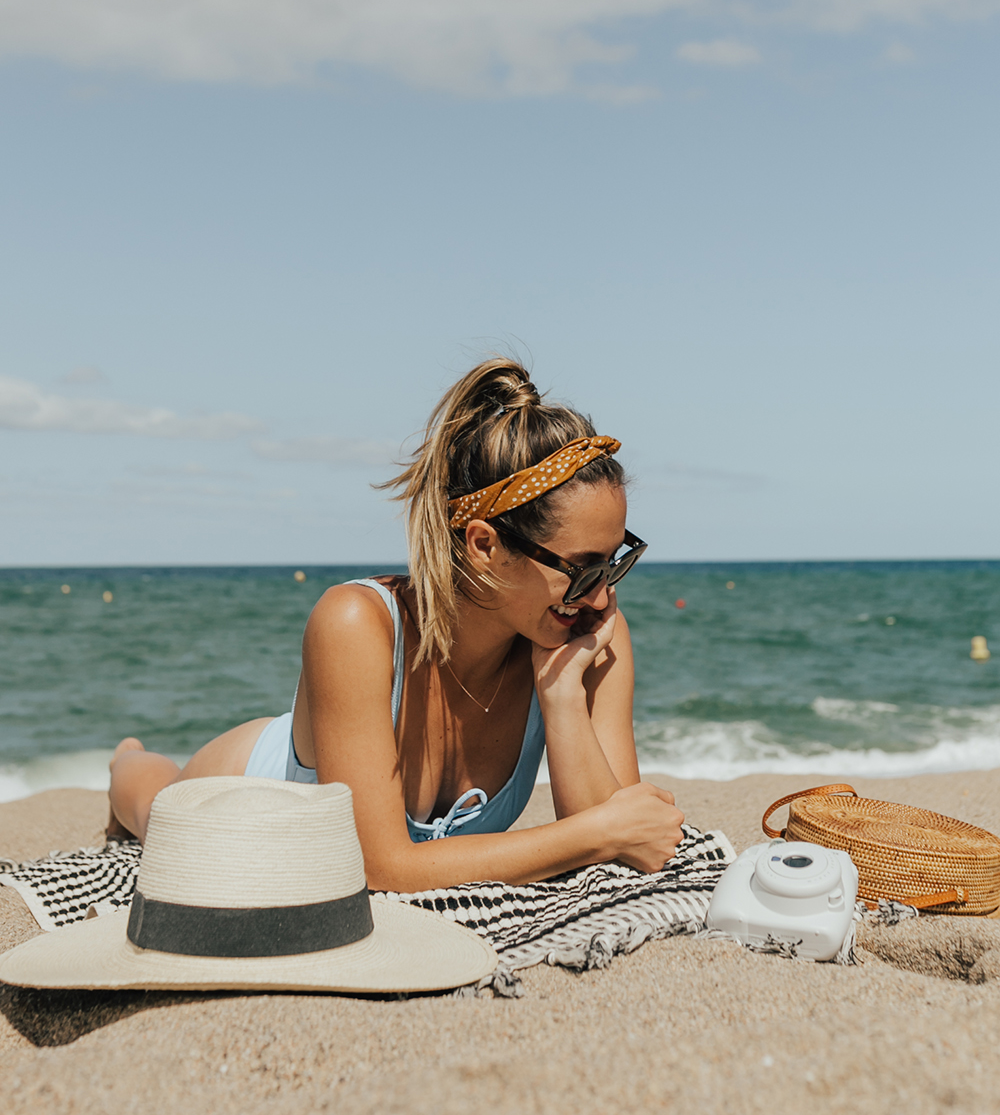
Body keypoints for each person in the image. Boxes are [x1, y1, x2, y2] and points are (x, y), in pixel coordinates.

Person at [107, 357, 685, 890]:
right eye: (581, 570)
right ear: (484, 546)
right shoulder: (355, 622)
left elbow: (620, 860)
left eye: (615, 563)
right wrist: (597, 832)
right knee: (151, 804)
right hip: (247, 791)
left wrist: (561, 699)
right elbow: (378, 866)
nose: (603, 595)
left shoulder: (589, 640)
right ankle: (125, 758)